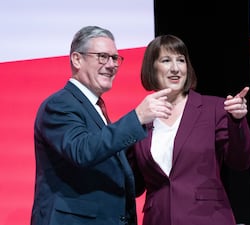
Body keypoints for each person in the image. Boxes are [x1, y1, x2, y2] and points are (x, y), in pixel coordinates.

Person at [30, 26, 174, 225]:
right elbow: (81, 150)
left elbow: (118, 171)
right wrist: (137, 117)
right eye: (102, 56)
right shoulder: (59, 104)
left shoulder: (97, 109)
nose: (111, 64)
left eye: (115, 58)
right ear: (77, 59)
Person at [126, 34, 250, 225]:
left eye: (181, 60)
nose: (175, 68)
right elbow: (135, 185)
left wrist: (237, 121)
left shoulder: (214, 108)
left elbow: (241, 161)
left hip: (207, 218)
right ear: (151, 67)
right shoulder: (141, 118)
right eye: (166, 60)